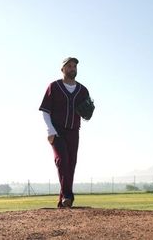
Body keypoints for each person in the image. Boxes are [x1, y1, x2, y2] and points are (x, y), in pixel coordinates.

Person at [39, 57, 92, 208]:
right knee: (62, 160)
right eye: (69, 66)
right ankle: (68, 196)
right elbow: (45, 111)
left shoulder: (82, 90)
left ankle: (63, 200)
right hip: (57, 131)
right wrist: (50, 130)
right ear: (62, 69)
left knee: (71, 163)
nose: (72, 68)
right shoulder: (54, 87)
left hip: (74, 131)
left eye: (74, 66)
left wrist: (88, 112)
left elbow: (86, 113)